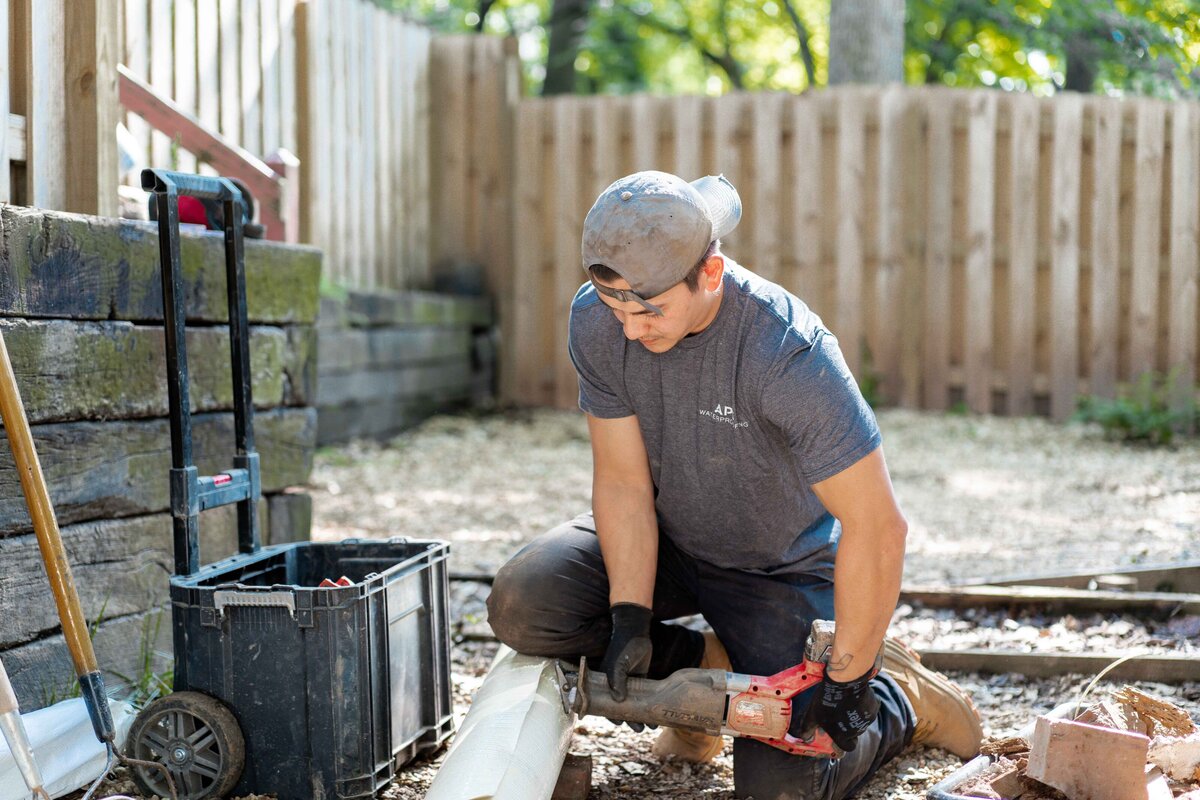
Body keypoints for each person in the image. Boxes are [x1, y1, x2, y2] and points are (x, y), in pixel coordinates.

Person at [486, 171, 982, 800]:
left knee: (783, 788)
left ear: (711, 274)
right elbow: (621, 482)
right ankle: (714, 675)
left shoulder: (786, 352)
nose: (631, 330)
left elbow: (878, 526)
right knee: (525, 600)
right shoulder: (599, 322)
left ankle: (900, 697)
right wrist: (631, 619)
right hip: (672, 543)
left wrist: (849, 681)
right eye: (616, 307)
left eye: (650, 309)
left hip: (777, 570)